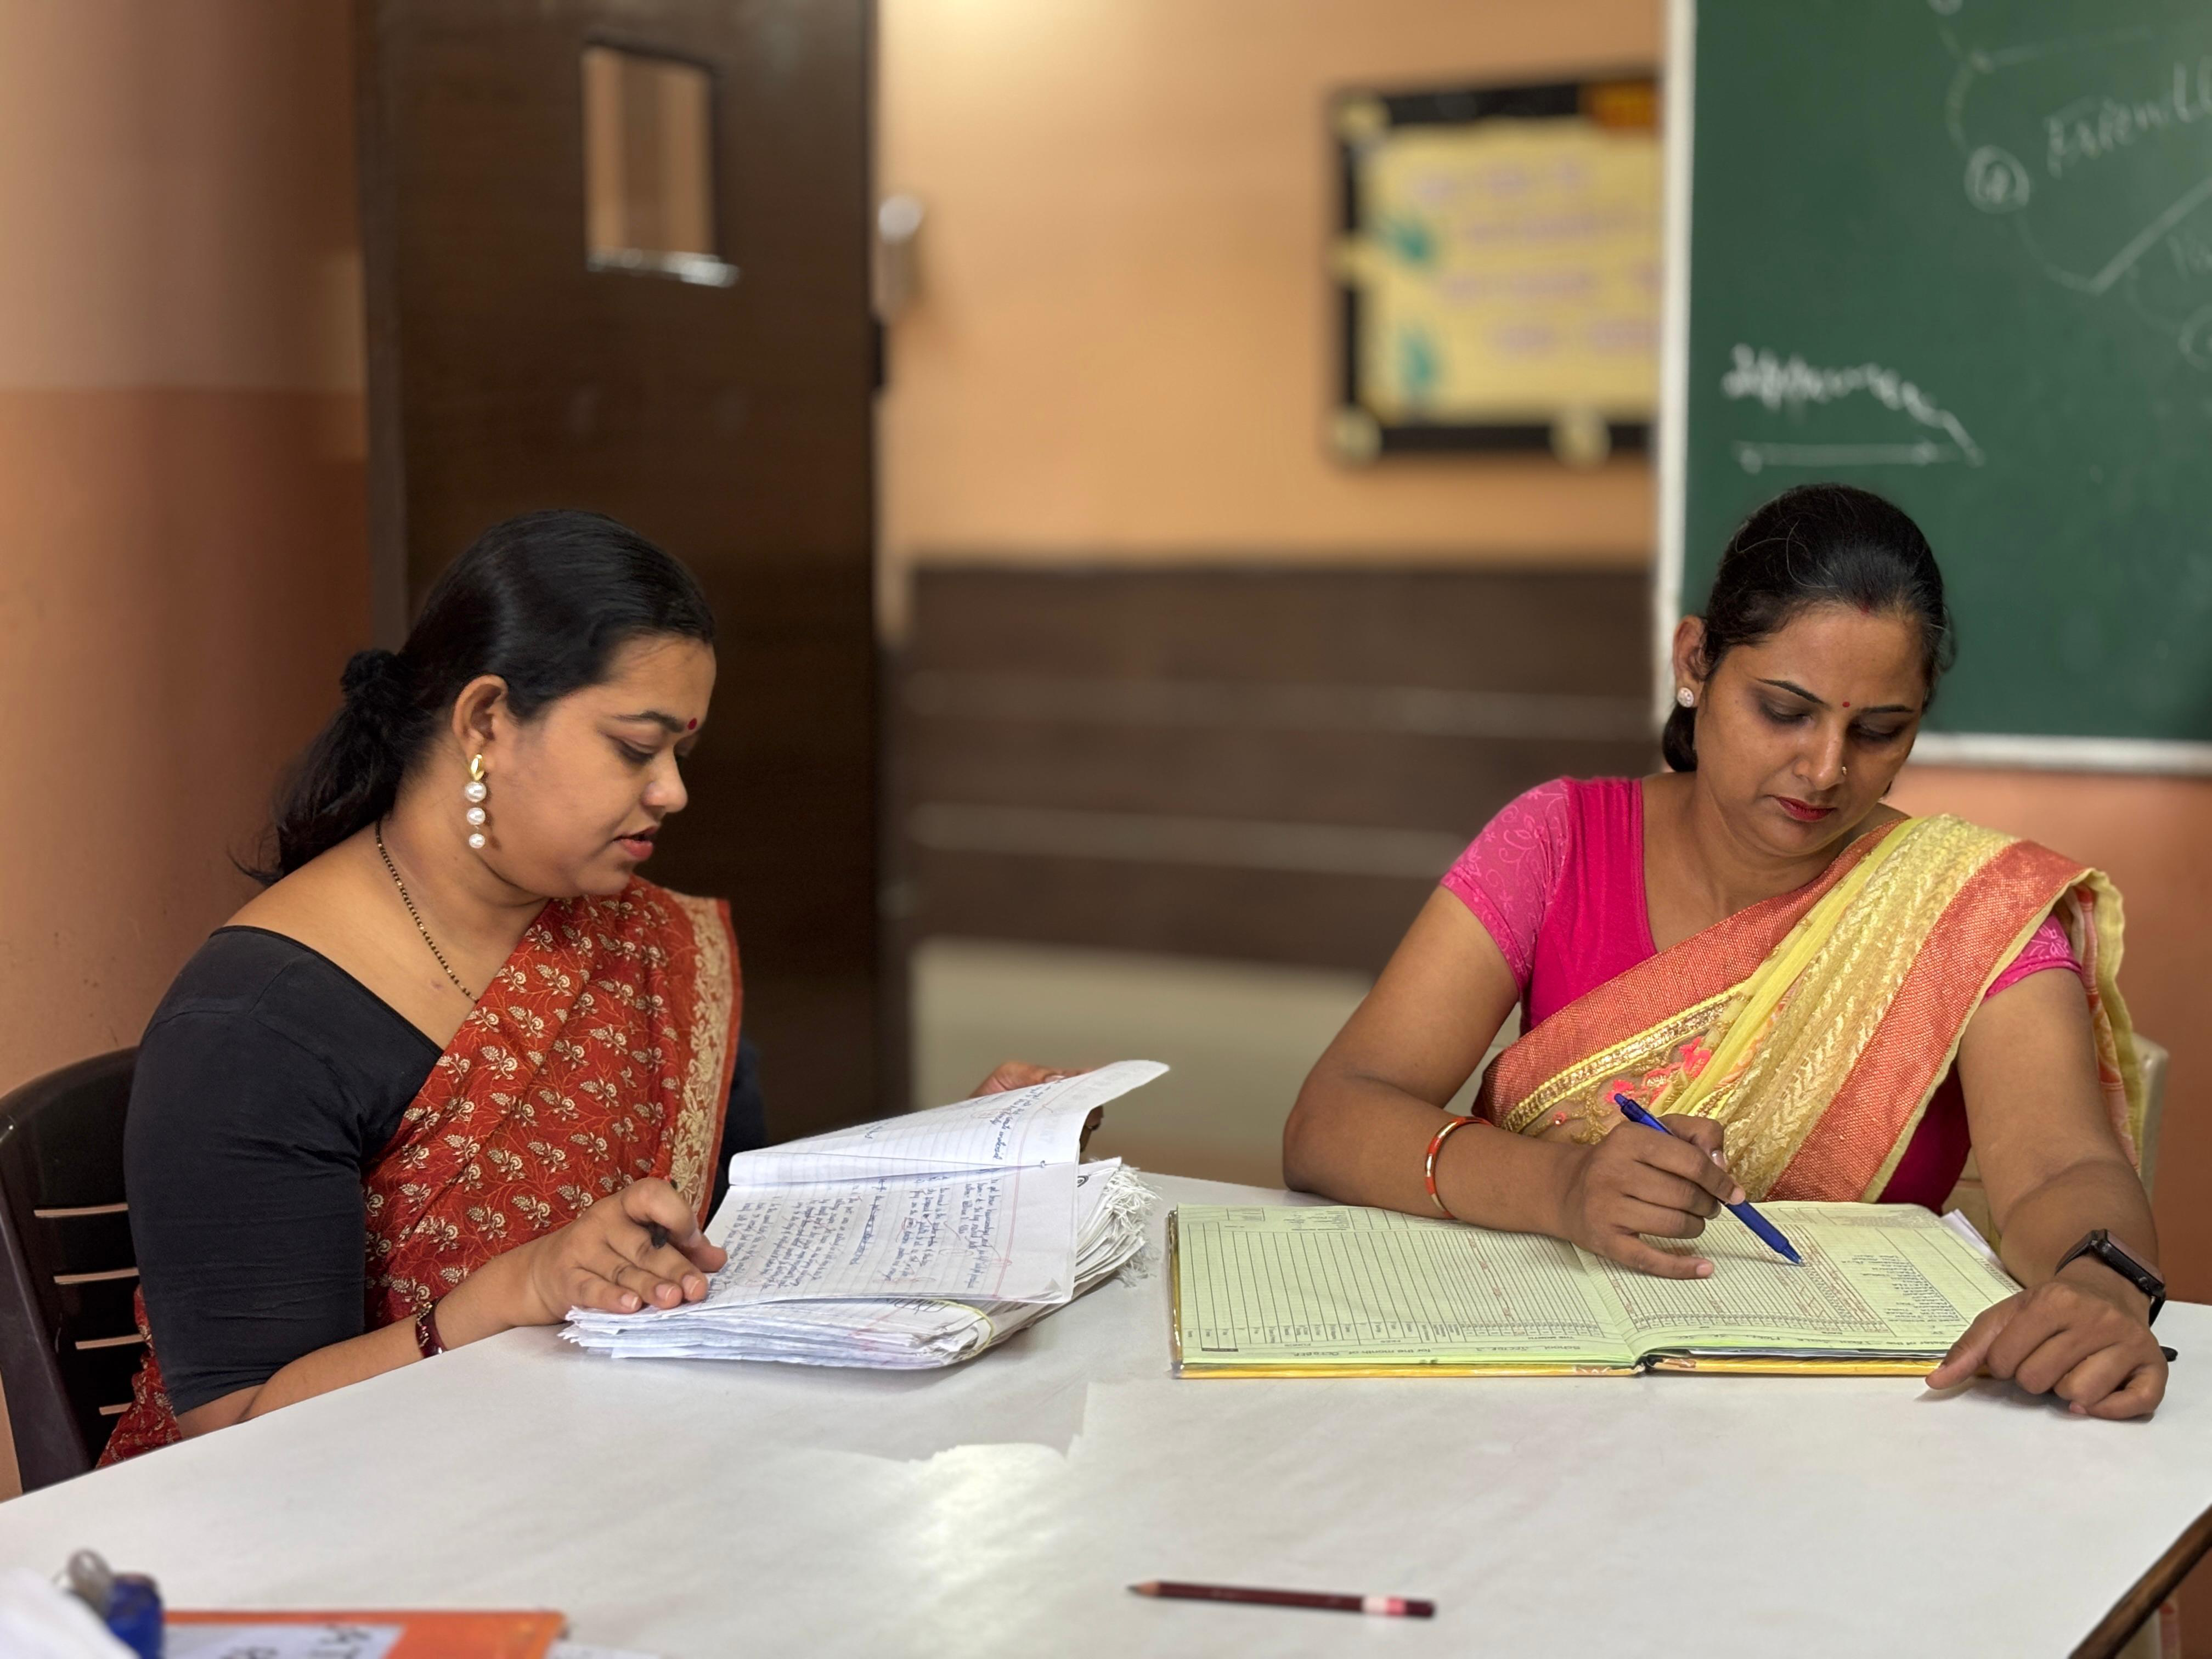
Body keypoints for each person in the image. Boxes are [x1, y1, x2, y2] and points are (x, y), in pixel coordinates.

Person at [105, 510, 1054, 1460]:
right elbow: (238, 1436)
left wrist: (953, 1171)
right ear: (486, 720)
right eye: (636, 747)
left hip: (614, 1464)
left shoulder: (647, 940)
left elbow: (728, 1240)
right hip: (340, 1517)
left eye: (680, 753)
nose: (672, 791)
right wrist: (509, 1296)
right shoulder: (256, 1024)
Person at [1283, 483, 2164, 1419]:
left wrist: (2102, 1284)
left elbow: (2064, 1171)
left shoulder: (1964, 907)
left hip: (1849, 1424)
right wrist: (1563, 1187)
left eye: (1878, 731)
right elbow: (1333, 1118)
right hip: (1547, 1394)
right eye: (1785, 711)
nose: (1825, 769)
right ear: (1694, 662)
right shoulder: (1559, 844)